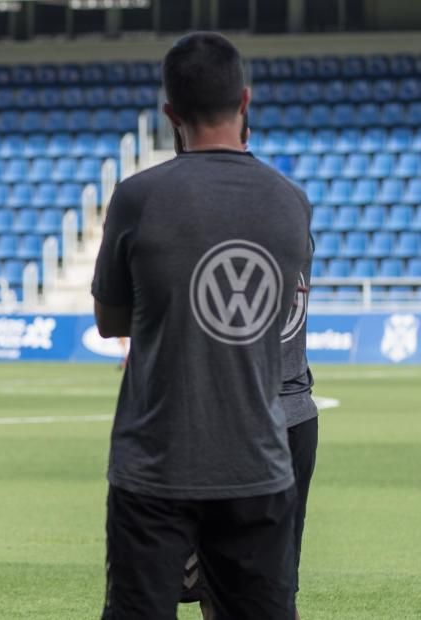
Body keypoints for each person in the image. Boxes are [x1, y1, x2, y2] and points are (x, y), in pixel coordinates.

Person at [92, 32, 312, 619]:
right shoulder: (290, 201)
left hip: (155, 462)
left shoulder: (137, 196)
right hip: (258, 460)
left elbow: (111, 318)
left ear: (170, 113)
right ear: (245, 102)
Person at [183, 106, 318, 620]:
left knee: (219, 584)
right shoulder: (290, 201)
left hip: (231, 421)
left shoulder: (199, 207)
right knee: (275, 585)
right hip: (295, 413)